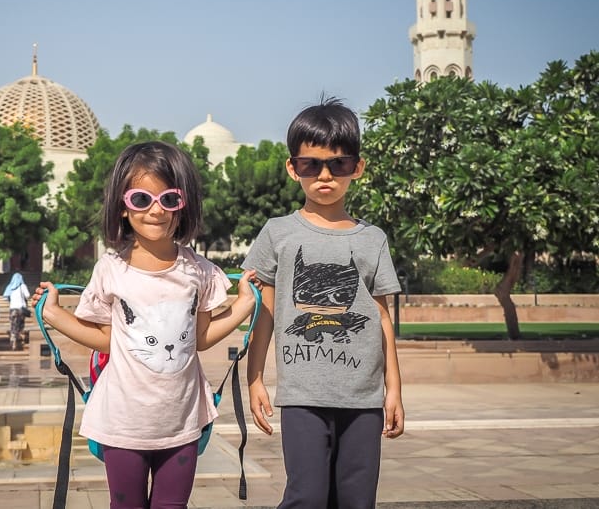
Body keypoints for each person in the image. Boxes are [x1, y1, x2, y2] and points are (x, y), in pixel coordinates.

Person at [33, 140, 258, 509]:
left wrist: (245, 303)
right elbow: (107, 340)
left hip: (183, 419)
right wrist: (54, 314)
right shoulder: (111, 270)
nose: (156, 211)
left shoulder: (199, 272)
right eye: (141, 200)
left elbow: (201, 339)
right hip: (123, 421)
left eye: (169, 199)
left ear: (183, 207)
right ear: (122, 207)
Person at [243, 98, 405, 509]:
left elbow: (383, 317)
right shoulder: (278, 233)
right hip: (302, 396)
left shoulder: (373, 239)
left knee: (355, 499)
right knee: (308, 497)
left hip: (363, 399)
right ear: (292, 168)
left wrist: (394, 390)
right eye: (311, 164)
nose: (326, 175)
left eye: (340, 164)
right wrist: (255, 378)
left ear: (359, 168)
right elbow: (265, 311)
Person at [2, 271, 31, 350]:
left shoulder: (10, 286)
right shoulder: (22, 286)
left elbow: (5, 297)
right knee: (21, 323)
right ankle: (20, 335)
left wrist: (11, 300)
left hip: (13, 308)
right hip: (21, 308)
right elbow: (28, 296)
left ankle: (13, 339)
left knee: (13, 324)